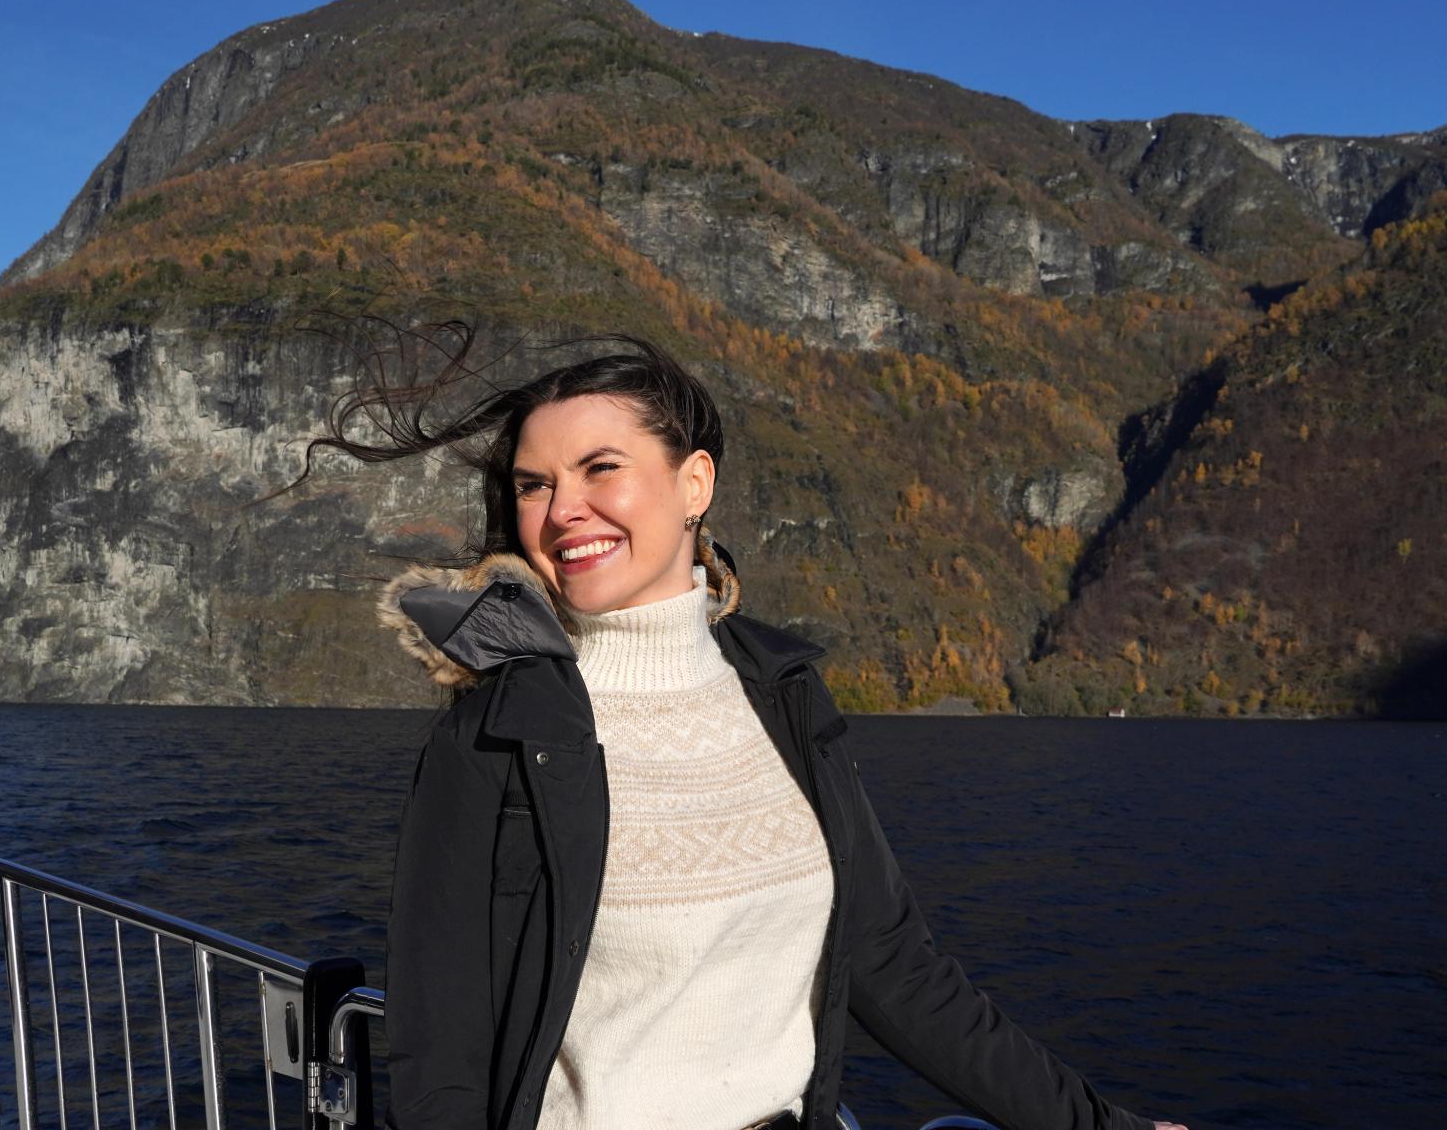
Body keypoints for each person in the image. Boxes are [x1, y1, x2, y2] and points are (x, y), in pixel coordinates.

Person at [301, 325, 1187, 1130]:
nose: (562, 510)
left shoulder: (783, 694)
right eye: (536, 485)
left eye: (600, 468)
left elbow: (895, 971)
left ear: (694, 483)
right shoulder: (497, 734)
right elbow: (441, 1058)